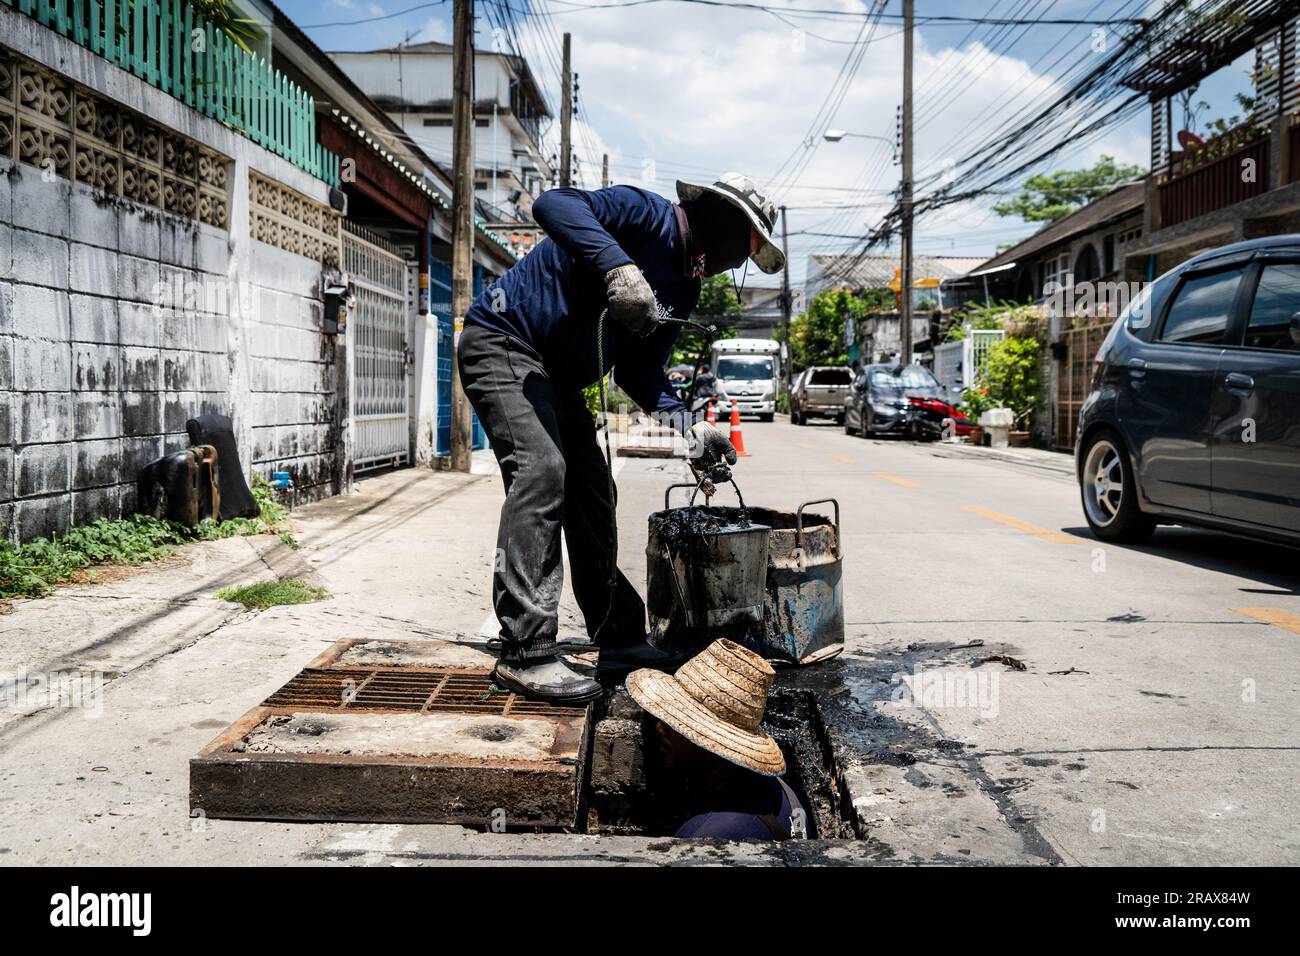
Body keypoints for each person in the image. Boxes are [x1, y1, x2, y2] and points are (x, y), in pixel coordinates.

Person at [459, 174, 785, 703]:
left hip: (559, 381)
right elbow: (552, 204)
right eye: (744, 246)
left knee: (593, 495)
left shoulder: (685, 286)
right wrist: (619, 265)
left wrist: (691, 428)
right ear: (721, 220)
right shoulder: (641, 212)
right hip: (503, 343)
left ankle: (619, 637)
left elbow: (641, 372)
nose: (736, 263)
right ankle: (526, 650)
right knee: (543, 472)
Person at [627, 639, 807, 840]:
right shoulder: (785, 794)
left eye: (676, 723)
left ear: (711, 745)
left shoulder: (705, 838)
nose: (660, 728)